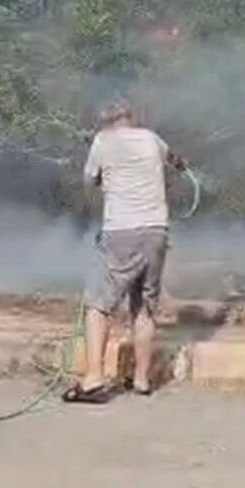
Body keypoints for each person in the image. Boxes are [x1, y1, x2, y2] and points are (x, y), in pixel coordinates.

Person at [64, 99, 186, 404]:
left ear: (107, 121)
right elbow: (175, 160)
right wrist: (177, 164)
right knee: (144, 306)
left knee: (98, 303)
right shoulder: (151, 139)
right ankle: (142, 380)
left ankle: (92, 380)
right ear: (130, 119)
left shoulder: (103, 142)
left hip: (122, 230)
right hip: (157, 230)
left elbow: (88, 181)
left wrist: (104, 181)